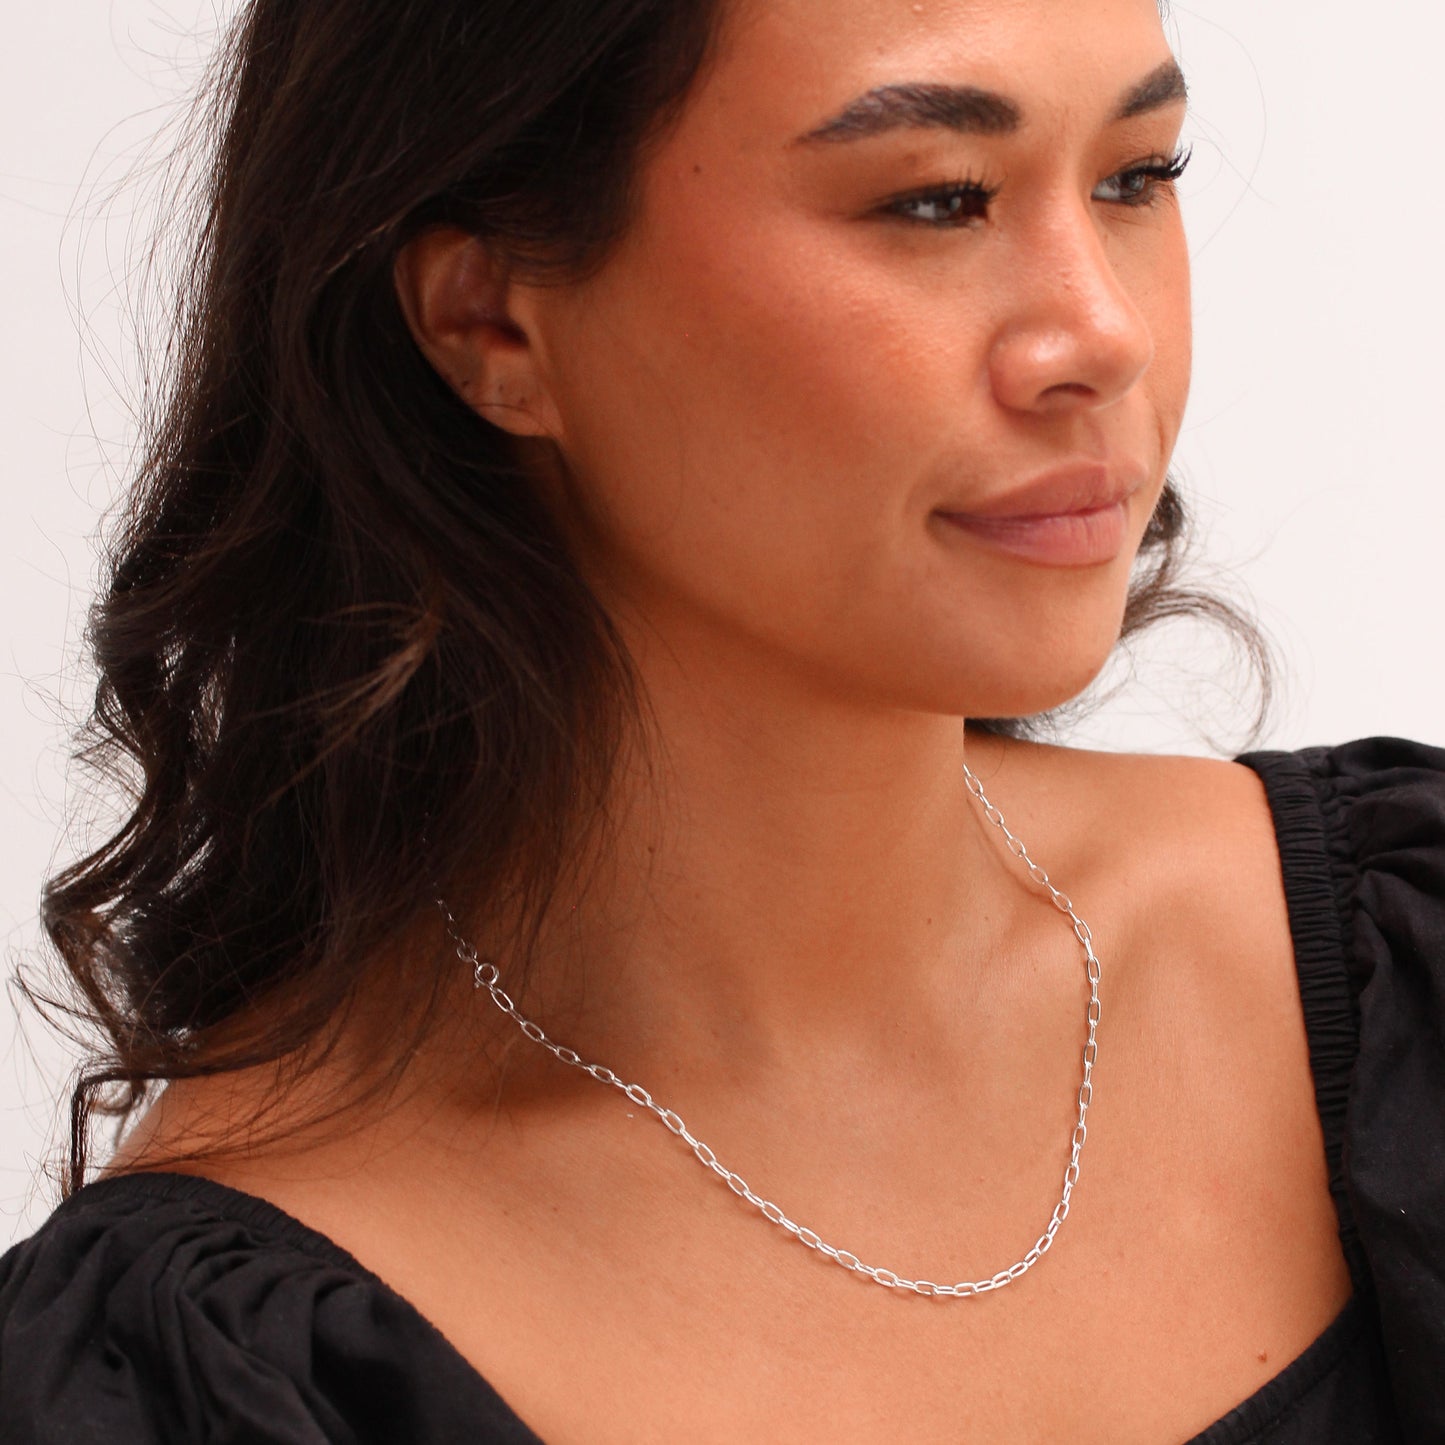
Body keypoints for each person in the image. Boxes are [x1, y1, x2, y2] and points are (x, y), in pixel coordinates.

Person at [1, 0, 1440, 1439]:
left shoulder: (1401, 970)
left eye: (1135, 176)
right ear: (489, 318)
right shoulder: (233, 1378)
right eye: (937, 199)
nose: (1104, 336)